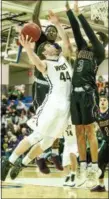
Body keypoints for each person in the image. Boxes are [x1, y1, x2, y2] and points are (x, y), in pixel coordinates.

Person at [1, 10, 73, 181]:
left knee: (48, 142)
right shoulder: (46, 63)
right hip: (53, 103)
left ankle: (23, 162)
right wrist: (28, 49)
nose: (48, 47)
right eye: (46, 46)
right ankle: (8, 161)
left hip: (66, 108)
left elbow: (67, 44)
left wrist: (56, 24)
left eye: (49, 46)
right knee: (36, 136)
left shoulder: (64, 58)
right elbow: (38, 64)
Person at [65, 0, 105, 187]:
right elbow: (76, 31)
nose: (91, 38)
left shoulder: (99, 52)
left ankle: (94, 166)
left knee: (89, 131)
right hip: (75, 94)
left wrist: (80, 14)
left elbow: (88, 32)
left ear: (101, 41)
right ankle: (82, 166)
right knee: (78, 131)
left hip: (89, 94)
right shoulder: (82, 49)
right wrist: (70, 13)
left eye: (96, 37)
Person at [90, 93, 109, 192]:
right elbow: (95, 127)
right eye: (101, 100)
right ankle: (101, 186)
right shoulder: (96, 114)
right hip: (107, 142)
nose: (102, 101)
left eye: (104, 100)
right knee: (99, 163)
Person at [62, 119, 78, 187]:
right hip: (67, 143)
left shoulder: (75, 119)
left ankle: (73, 176)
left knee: (72, 155)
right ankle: (67, 176)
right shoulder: (62, 121)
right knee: (65, 163)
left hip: (75, 142)